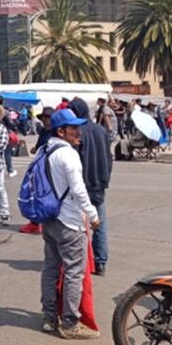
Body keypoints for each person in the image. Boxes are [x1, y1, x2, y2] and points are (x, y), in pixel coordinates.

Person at [38, 110, 101, 340]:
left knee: (50, 269)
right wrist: (93, 215)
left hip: (49, 217)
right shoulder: (68, 154)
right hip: (69, 220)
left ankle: (49, 317)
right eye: (73, 128)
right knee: (74, 272)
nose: (78, 132)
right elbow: (78, 190)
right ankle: (70, 323)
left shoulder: (45, 150)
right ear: (61, 131)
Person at [68, 98, 113, 275]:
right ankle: (100, 261)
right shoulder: (100, 130)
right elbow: (109, 157)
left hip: (83, 182)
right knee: (99, 223)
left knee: (79, 225)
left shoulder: (77, 131)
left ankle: (83, 260)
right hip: (99, 182)